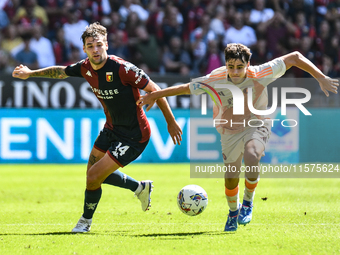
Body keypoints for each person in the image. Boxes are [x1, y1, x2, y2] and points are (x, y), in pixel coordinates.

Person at [137, 43, 339, 232]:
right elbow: (185, 89)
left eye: (239, 67)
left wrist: (320, 77)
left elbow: (294, 57)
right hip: (229, 128)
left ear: (248, 65)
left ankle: (248, 203)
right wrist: (155, 95)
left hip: (256, 122)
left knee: (251, 155)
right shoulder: (214, 79)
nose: (234, 72)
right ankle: (233, 212)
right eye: (231, 67)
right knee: (231, 176)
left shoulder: (261, 73)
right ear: (225, 64)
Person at [12, 22, 183, 233]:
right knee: (91, 177)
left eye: (99, 45)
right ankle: (140, 187)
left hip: (134, 135)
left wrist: (170, 121)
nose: (95, 50)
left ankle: (85, 222)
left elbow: (155, 88)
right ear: (84, 48)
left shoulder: (122, 68)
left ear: (107, 45)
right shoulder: (85, 67)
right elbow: (60, 72)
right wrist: (30, 73)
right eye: (90, 46)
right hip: (111, 129)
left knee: (94, 176)